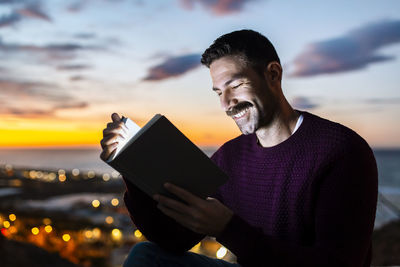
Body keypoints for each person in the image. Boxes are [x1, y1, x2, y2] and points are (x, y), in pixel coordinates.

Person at [100, 29, 378, 267]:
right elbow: (173, 239)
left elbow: (338, 263)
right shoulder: (231, 157)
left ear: (273, 74)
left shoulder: (341, 151)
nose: (226, 104)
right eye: (219, 92)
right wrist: (132, 169)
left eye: (235, 85)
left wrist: (227, 228)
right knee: (146, 256)